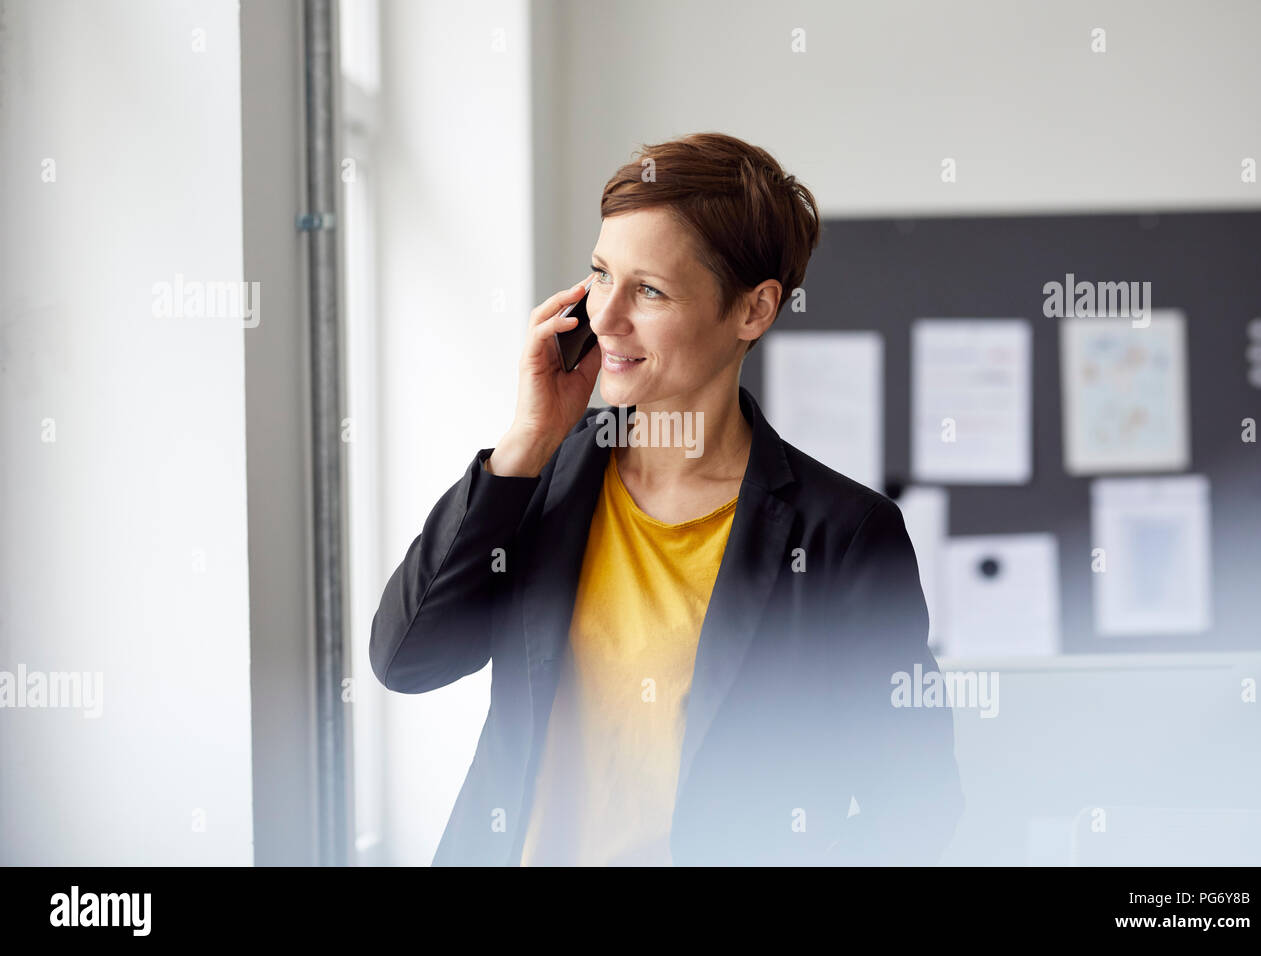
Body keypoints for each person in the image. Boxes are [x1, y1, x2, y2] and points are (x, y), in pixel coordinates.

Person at [369, 132, 965, 866]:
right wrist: (526, 439)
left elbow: (917, 802)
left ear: (753, 311)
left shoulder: (842, 534)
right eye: (599, 275)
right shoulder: (539, 477)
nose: (604, 317)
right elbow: (407, 661)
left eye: (648, 290)